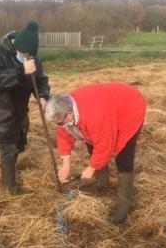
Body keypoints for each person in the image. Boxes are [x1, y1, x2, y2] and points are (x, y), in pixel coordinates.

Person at [45, 82, 146, 223]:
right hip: (106, 106)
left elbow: (104, 144)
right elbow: (64, 134)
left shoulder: (95, 116)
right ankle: (102, 182)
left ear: (69, 114)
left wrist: (91, 167)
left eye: (60, 122)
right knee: (90, 139)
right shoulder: (65, 109)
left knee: (123, 156)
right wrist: (65, 164)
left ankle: (124, 205)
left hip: (129, 107)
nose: (59, 126)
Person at [0, 21, 50, 195]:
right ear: (16, 45)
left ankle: (10, 167)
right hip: (1, 108)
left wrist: (42, 96)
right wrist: (20, 71)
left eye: (29, 55)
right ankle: (10, 187)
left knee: (19, 142)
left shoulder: (34, 58)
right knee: (7, 146)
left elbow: (41, 79)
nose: (26, 56)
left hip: (20, 108)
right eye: (23, 53)